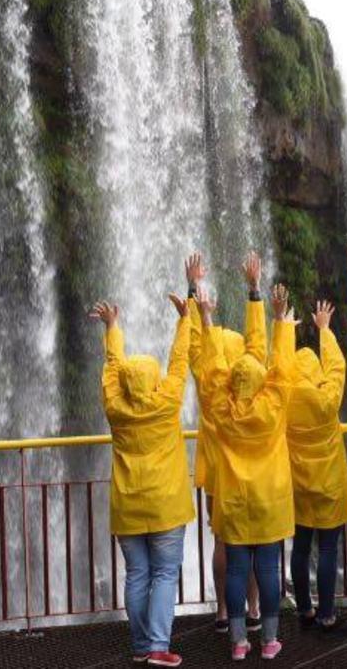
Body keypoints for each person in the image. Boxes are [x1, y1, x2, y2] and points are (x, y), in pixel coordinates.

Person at [91, 296, 194, 668]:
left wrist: (112, 328)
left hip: (129, 504)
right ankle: (157, 647)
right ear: (154, 380)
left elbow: (112, 366)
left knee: (137, 574)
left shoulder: (114, 406)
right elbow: (179, 363)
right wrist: (185, 321)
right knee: (165, 573)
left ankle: (139, 646)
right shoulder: (166, 400)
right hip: (166, 504)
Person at [197, 283, 296, 661]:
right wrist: (280, 321)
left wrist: (206, 319)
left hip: (234, 503)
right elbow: (283, 369)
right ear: (261, 382)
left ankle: (238, 641)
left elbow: (212, 372)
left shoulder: (221, 410)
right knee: (269, 570)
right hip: (269, 503)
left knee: (237, 571)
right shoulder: (273, 404)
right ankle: (269, 640)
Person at [184, 251, 263, 634]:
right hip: (252, 466)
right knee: (251, 538)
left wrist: (195, 298)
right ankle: (253, 609)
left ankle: (220, 612)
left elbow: (193, 344)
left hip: (215, 466)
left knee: (222, 538)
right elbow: (259, 345)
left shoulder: (207, 382)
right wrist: (254, 290)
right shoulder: (256, 389)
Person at [287, 299, 347, 636]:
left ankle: (304, 609)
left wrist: (284, 331)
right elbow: (337, 368)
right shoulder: (327, 397)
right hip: (328, 484)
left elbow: (276, 368)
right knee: (328, 547)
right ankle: (327, 615)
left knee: (300, 547)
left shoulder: (283, 398)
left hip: (298, 484)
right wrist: (324, 330)